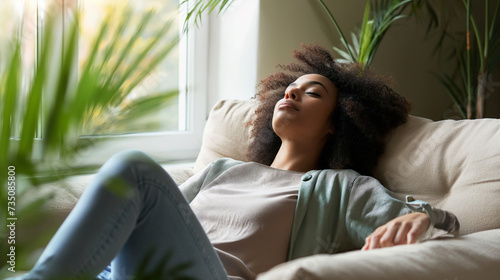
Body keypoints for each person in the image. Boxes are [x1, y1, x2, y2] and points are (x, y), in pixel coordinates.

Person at [15, 44, 459, 280]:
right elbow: (148, 225)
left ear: (335, 124)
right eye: (292, 87)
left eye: (313, 93)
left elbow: (439, 224)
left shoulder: (337, 186)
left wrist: (420, 219)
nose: (292, 93)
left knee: (135, 170)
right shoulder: (223, 171)